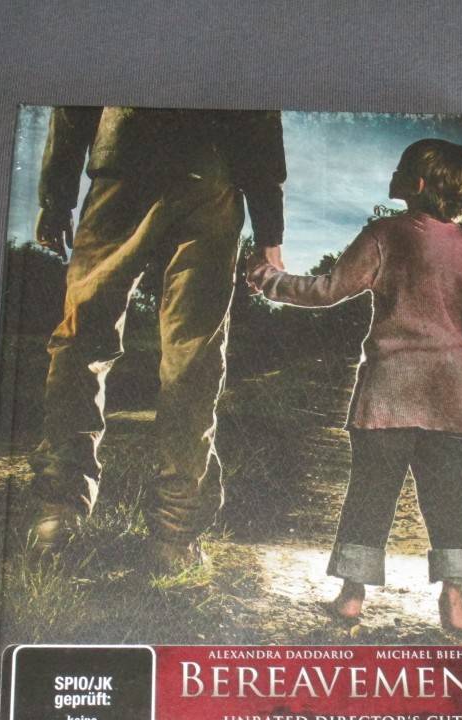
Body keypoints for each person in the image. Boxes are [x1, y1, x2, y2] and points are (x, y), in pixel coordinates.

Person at [246, 138, 462, 634]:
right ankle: (454, 604)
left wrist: (269, 279)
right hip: (452, 401)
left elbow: (328, 290)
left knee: (371, 493)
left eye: (401, 167)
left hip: (387, 395)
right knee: (451, 500)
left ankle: (351, 597)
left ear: (417, 183)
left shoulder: (385, 235)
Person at [30, 106, 286, 571]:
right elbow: (260, 115)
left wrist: (56, 196)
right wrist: (269, 228)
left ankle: (58, 513)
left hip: (124, 156)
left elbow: (73, 103)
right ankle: (174, 538)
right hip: (211, 173)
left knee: (82, 340)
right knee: (193, 355)